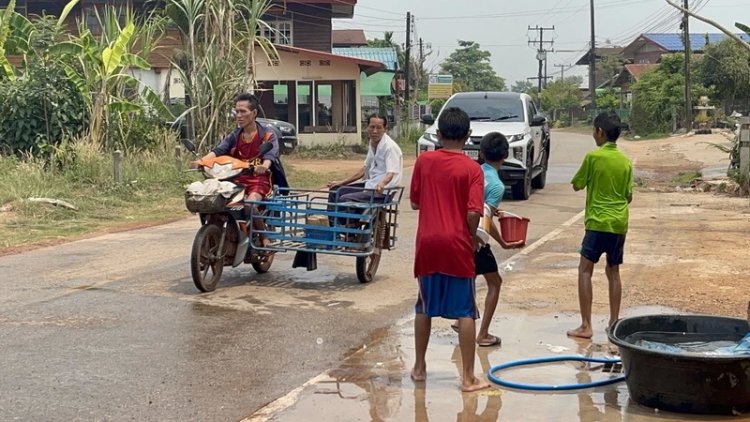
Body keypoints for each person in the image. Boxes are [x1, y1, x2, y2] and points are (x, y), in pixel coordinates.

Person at [409, 106, 490, 392]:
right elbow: (473, 213)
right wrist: (471, 235)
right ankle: (468, 378)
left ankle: (419, 367)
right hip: (456, 244)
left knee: (423, 306)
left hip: (428, 243)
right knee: (465, 311)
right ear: (468, 136)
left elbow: (415, 203)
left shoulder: (424, 162)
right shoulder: (473, 169)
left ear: (439, 134)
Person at [451, 132, 525, 347]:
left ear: (481, 153)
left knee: (471, 276)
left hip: (458, 233)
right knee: (495, 282)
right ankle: (483, 333)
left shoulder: (473, 172)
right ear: (505, 155)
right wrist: (503, 242)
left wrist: (494, 211)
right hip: (476, 240)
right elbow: (484, 219)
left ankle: (460, 319)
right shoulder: (497, 186)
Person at [567, 112, 633, 339]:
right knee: (613, 271)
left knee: (585, 269)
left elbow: (576, 184)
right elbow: (628, 196)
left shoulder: (593, 158)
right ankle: (614, 323)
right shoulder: (625, 161)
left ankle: (586, 325)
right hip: (618, 223)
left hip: (597, 222)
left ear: (600, 132)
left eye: (594, 131)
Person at [193, 93, 280, 246]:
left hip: (259, 180)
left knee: (249, 205)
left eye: (243, 112)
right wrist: (202, 161)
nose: (239, 116)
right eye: (237, 112)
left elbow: (270, 155)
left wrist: (264, 166)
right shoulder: (234, 135)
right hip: (236, 179)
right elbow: (219, 150)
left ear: (254, 113)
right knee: (217, 202)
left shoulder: (267, 135)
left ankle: (264, 236)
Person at [327, 112, 402, 203]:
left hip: (383, 191)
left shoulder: (390, 147)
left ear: (385, 129)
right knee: (335, 191)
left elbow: (390, 173)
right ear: (367, 127)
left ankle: (345, 217)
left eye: (379, 128)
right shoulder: (372, 143)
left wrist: (382, 184)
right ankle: (331, 217)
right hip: (370, 185)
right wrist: (342, 182)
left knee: (345, 199)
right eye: (372, 127)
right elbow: (365, 168)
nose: (375, 131)